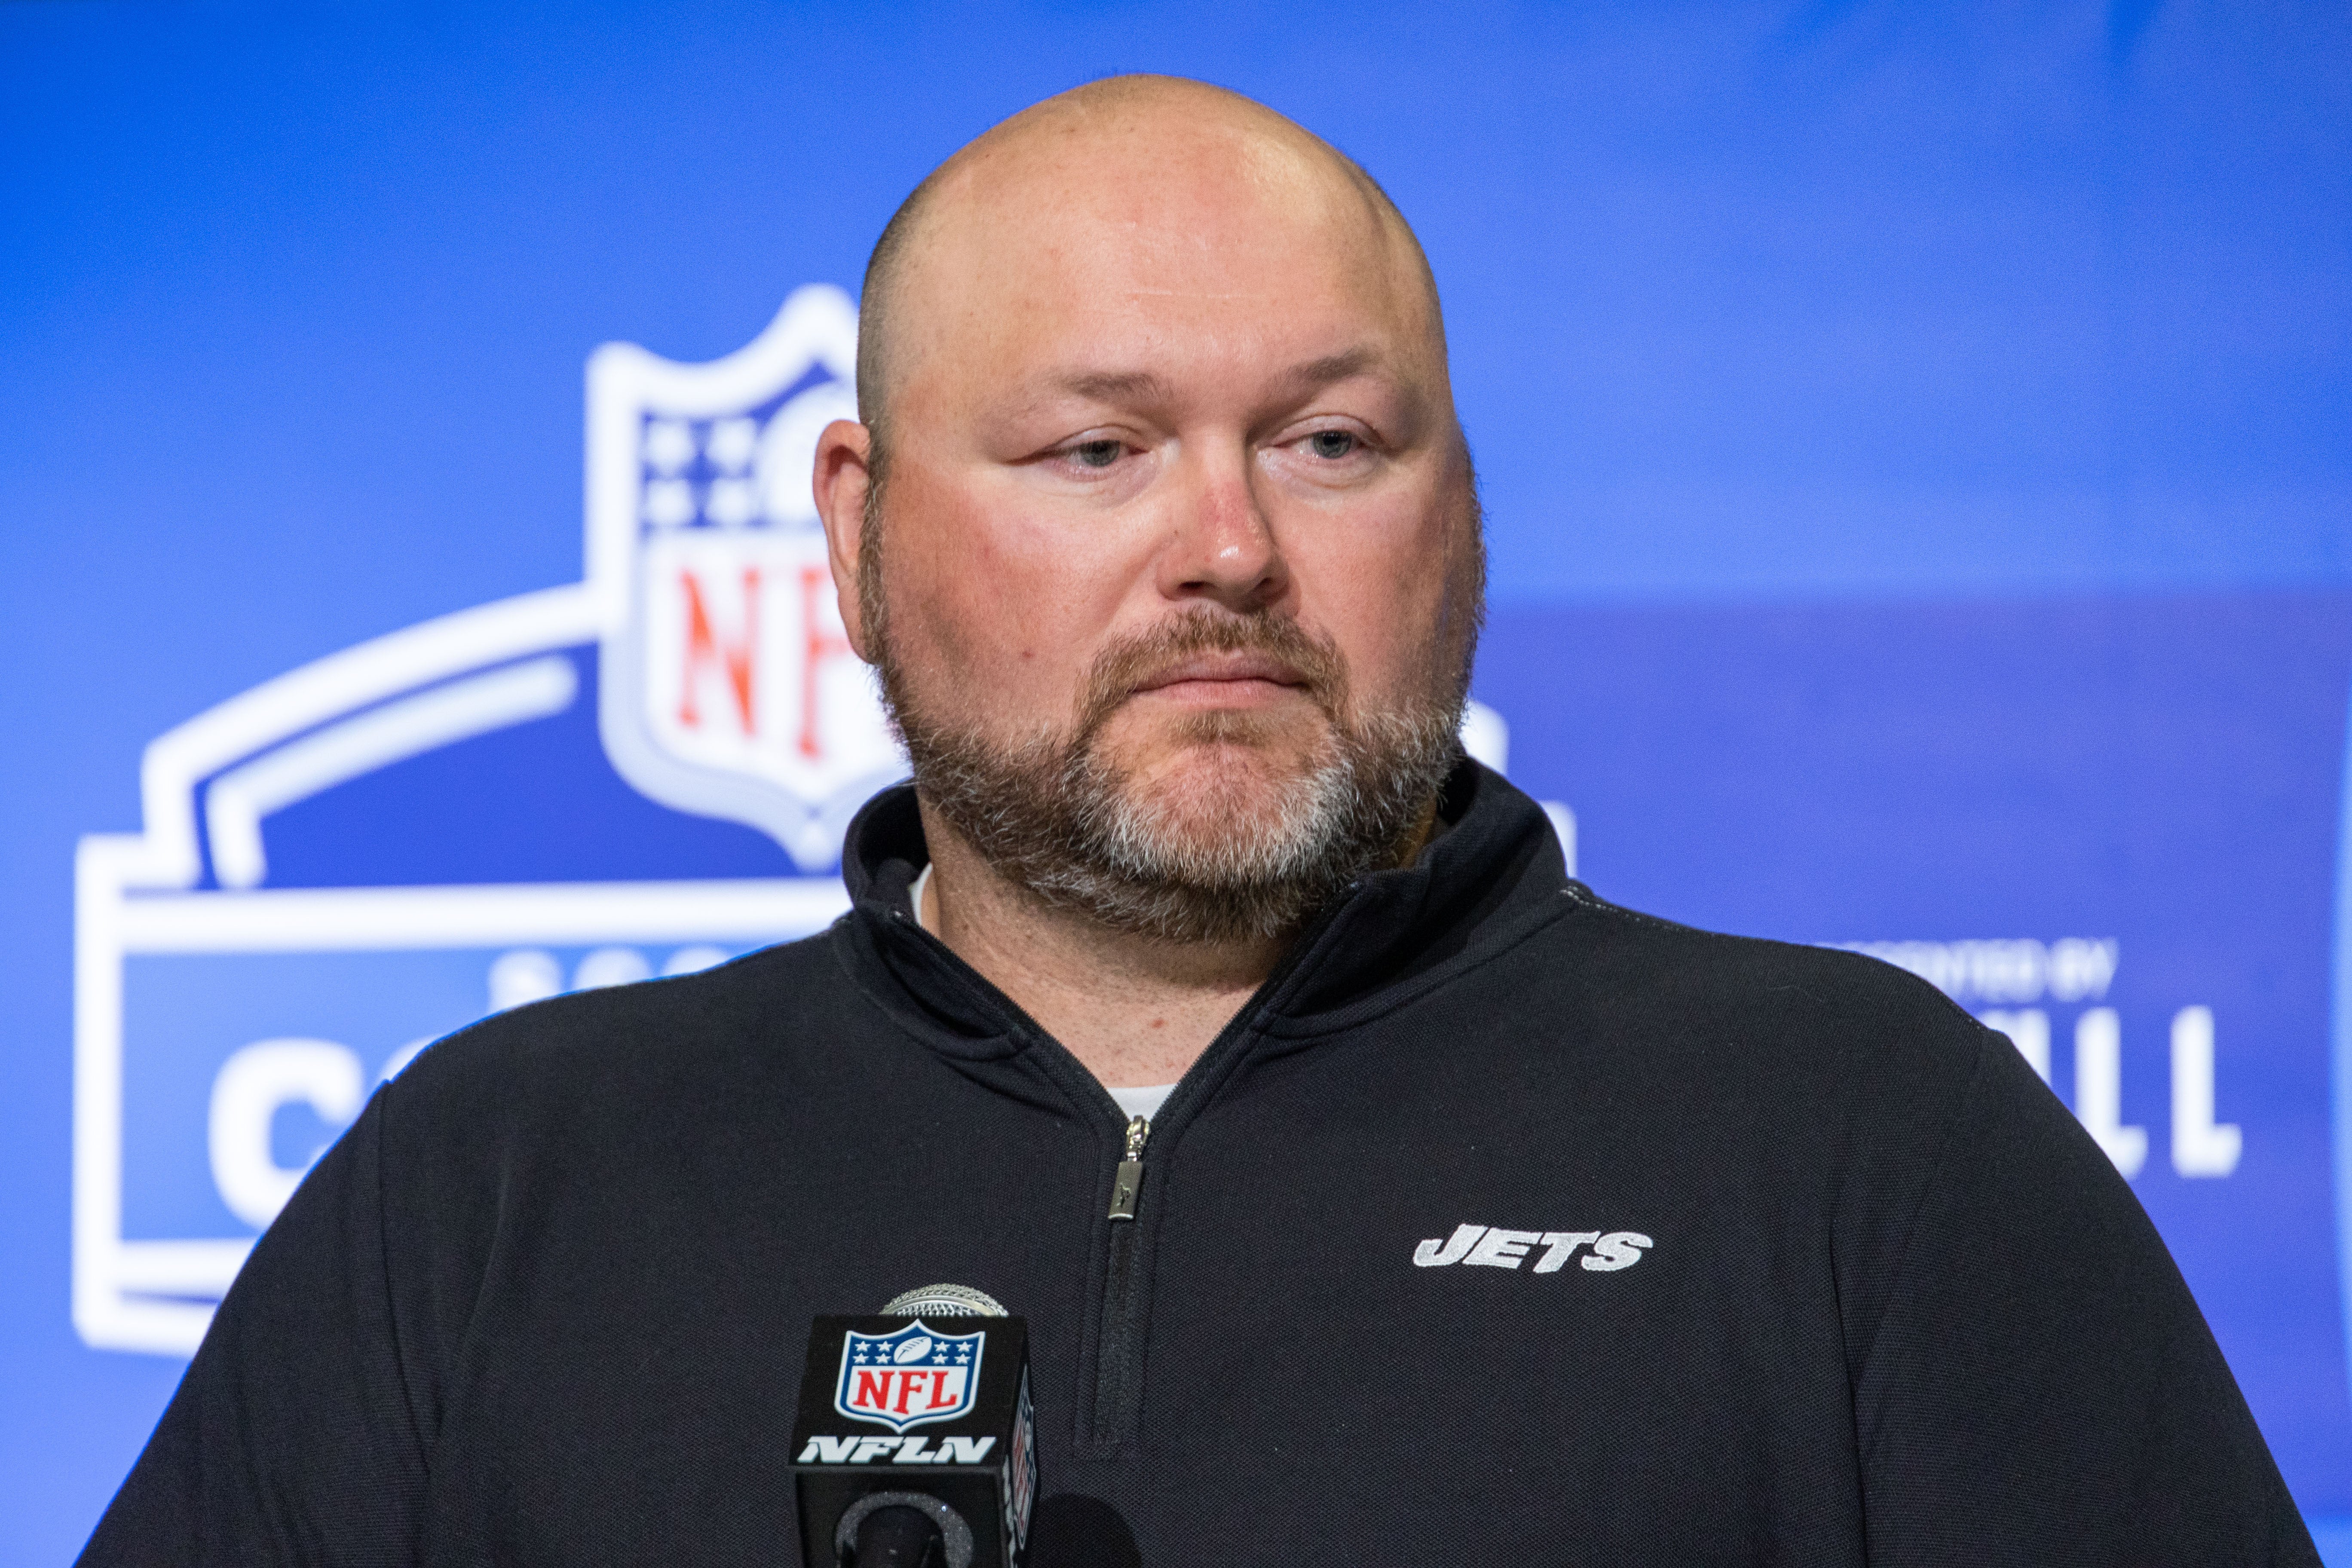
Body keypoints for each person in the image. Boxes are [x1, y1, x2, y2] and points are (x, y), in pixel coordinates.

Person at [83, 75, 2315, 1566]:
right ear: (853, 540)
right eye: (1097, 452)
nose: (1231, 550)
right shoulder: (485, 1187)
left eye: (1333, 444)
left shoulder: (1869, 1144)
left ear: (1462, 516)